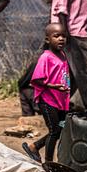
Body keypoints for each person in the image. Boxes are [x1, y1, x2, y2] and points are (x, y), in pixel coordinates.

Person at [22, 23, 70, 163]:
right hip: (48, 101)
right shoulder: (46, 57)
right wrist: (55, 87)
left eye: (63, 36)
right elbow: (36, 80)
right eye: (56, 36)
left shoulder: (62, 55)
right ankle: (49, 162)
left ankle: (34, 147)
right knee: (54, 130)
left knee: (59, 129)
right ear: (48, 39)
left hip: (61, 101)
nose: (61, 39)